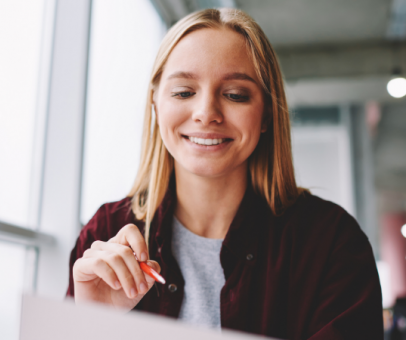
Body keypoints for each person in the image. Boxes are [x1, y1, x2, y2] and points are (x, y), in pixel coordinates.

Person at [66, 8, 383, 339]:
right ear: (156, 104)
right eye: (184, 92)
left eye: (235, 95)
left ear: (266, 115)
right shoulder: (105, 233)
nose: (206, 114)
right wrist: (92, 325)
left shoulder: (331, 244)